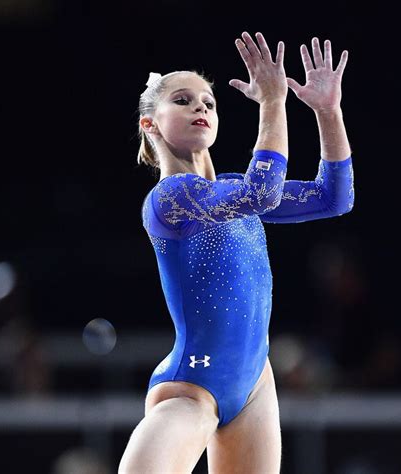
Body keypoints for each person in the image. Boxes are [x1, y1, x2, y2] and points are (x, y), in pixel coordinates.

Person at [119, 31, 354, 473]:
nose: (201, 109)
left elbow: (335, 197)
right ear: (149, 123)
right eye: (184, 100)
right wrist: (272, 102)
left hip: (254, 385)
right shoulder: (170, 198)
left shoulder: (231, 191)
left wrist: (328, 111)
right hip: (193, 386)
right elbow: (263, 193)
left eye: (208, 102)